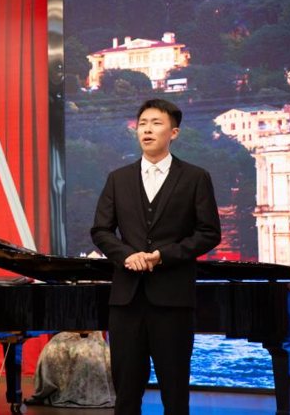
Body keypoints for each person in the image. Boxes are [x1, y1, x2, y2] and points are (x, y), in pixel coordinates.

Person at [91, 99, 221, 415]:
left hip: (173, 300)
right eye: (143, 123)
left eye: (156, 123)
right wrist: (127, 255)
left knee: (175, 395)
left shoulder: (195, 177)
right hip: (126, 301)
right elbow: (101, 230)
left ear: (173, 132)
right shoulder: (118, 178)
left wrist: (163, 256)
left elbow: (209, 233)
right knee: (126, 395)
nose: (147, 129)